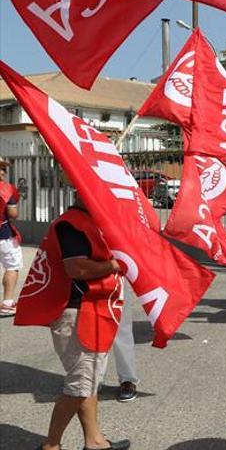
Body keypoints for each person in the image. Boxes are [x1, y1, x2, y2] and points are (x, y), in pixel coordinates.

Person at [15, 195, 130, 450]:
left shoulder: (84, 222)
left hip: (89, 309)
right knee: (80, 385)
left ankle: (95, 441)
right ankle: (51, 445)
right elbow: (77, 269)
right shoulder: (73, 224)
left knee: (87, 382)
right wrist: (114, 264)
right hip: (78, 313)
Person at [0, 157, 22, 317]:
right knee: (12, 266)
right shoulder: (6, 189)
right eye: (1, 168)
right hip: (3, 234)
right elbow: (13, 214)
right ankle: (7, 303)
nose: (3, 172)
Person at [111, 288, 138, 402]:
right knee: (90, 329)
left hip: (117, 276)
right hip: (84, 276)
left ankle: (127, 379)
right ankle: (92, 379)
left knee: (120, 326)